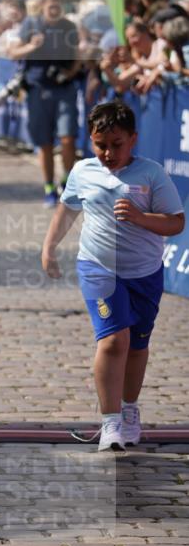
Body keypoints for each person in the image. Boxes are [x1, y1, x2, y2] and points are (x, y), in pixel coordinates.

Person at [42, 101, 184, 451]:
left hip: (145, 273)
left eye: (116, 144)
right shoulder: (82, 171)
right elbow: (67, 208)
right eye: (99, 144)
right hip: (98, 267)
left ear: (133, 139)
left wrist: (141, 218)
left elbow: (177, 222)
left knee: (137, 345)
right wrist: (49, 247)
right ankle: (110, 423)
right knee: (113, 341)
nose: (107, 153)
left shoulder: (151, 174)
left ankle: (129, 411)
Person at [8, 0, 81, 207]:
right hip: (38, 89)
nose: (54, 10)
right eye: (51, 7)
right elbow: (13, 52)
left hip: (64, 89)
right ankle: (49, 187)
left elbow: (77, 55)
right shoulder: (31, 24)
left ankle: (67, 183)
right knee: (45, 143)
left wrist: (70, 73)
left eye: (58, 6)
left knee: (68, 138)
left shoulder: (69, 27)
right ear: (43, 7)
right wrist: (31, 46)